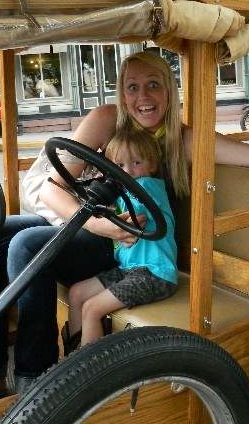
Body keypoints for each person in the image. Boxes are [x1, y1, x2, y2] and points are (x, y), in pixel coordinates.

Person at [0, 50, 249, 415]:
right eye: (132, 87)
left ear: (169, 92)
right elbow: (50, 189)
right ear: (122, 94)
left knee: (27, 246)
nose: (143, 97)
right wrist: (97, 223)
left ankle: (36, 374)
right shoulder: (107, 120)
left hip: (127, 246)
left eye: (153, 85)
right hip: (91, 223)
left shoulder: (182, 138)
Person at [62, 128, 177, 351]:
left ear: (151, 164)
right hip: (130, 269)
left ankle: (87, 374)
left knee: (92, 308)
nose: (128, 172)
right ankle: (72, 357)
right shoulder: (125, 191)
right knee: (77, 293)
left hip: (155, 273)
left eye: (136, 163)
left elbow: (138, 215)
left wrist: (105, 207)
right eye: (120, 166)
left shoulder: (146, 187)